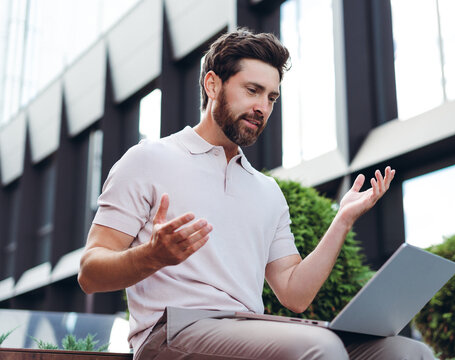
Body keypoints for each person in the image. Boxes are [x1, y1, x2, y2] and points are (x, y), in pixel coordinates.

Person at [78, 28, 434, 360]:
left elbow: (295, 294)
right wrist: (153, 256)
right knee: (320, 349)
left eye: (271, 96)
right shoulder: (148, 159)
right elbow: (90, 273)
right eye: (252, 90)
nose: (263, 107)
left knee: (405, 352)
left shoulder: (267, 191)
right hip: (169, 334)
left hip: (248, 329)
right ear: (213, 84)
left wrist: (342, 220)